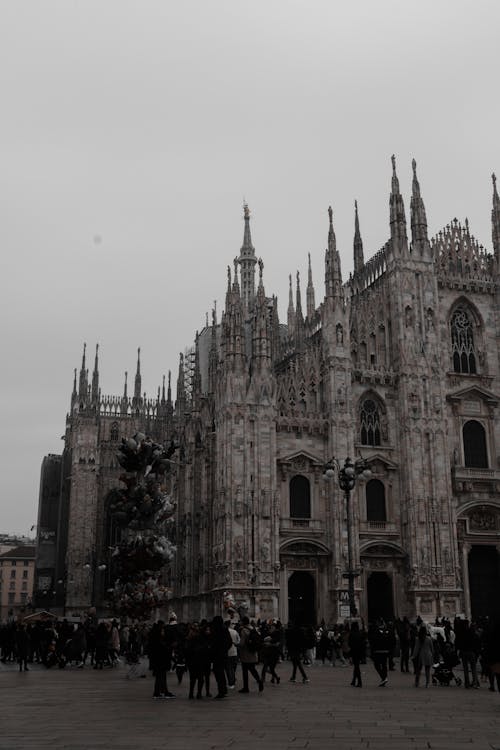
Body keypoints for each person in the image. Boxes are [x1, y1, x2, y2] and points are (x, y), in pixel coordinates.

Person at [149, 622, 175, 699]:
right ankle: (157, 692)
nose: (164, 633)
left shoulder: (158, 640)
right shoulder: (158, 641)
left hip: (159, 662)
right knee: (160, 677)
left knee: (162, 677)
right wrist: (170, 647)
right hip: (160, 662)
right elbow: (163, 650)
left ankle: (163, 691)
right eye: (162, 631)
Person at [238, 617, 264, 693]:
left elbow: (242, 643)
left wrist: (236, 644)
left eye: (241, 621)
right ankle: (259, 681)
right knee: (253, 669)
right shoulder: (253, 628)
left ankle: (246, 688)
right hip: (253, 653)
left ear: (243, 622)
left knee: (245, 671)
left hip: (245, 654)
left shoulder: (243, 630)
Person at [210, 615, 232, 699]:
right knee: (221, 673)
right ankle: (224, 690)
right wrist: (225, 649)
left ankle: (221, 691)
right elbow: (230, 642)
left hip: (217, 655)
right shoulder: (225, 629)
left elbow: (213, 642)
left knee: (218, 673)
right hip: (223, 655)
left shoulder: (216, 630)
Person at [369, 619, 390, 686]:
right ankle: (384, 678)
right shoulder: (386, 630)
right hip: (385, 650)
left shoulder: (375, 630)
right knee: (384, 665)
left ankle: (383, 677)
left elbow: (373, 641)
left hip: (377, 651)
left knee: (376, 665)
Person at [348, 621, 366, 687]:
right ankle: (353, 680)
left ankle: (359, 682)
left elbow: (349, 644)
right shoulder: (360, 633)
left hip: (354, 652)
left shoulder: (352, 634)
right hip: (360, 652)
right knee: (356, 666)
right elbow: (363, 643)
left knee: (356, 667)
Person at [224, 620, 240, 689]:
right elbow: (239, 640)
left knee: (228, 669)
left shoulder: (224, 632)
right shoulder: (234, 631)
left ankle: (231, 682)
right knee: (233, 668)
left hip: (227, 652)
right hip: (234, 652)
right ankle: (232, 679)